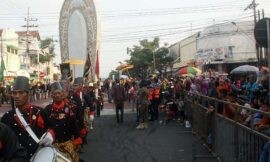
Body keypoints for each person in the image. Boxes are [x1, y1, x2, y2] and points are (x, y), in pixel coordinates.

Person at [1, 76, 52, 159]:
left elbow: (51, 127)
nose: (17, 96)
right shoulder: (7, 117)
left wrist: (50, 135)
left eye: (21, 93)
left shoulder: (39, 112)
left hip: (39, 156)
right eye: (14, 93)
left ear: (29, 94)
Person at [42, 82, 82, 162]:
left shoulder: (69, 108)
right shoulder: (47, 110)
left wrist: (77, 138)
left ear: (62, 95)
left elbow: (74, 124)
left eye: (59, 93)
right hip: (52, 146)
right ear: (52, 96)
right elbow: (43, 126)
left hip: (67, 143)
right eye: (55, 93)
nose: (57, 95)